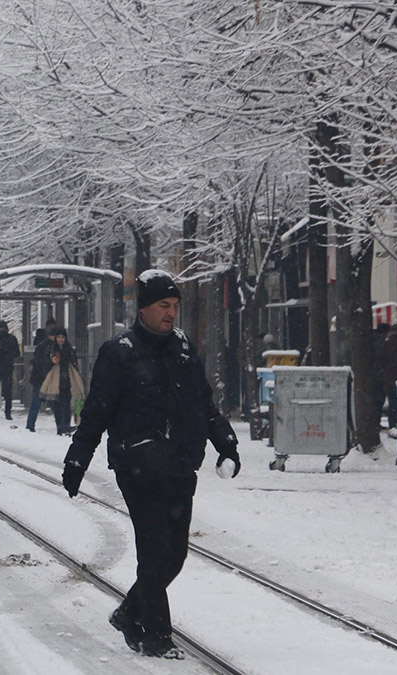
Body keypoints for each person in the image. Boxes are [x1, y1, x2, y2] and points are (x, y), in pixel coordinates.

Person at [61, 269, 239, 659]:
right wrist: (77, 459)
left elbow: (204, 404)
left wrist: (226, 443)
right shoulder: (119, 352)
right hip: (137, 463)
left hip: (179, 463)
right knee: (154, 551)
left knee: (175, 554)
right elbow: (96, 413)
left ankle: (129, 612)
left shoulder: (183, 348)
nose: (171, 313)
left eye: (175, 306)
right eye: (163, 306)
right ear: (143, 308)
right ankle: (155, 634)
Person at [40, 326, 83, 435]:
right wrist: (52, 362)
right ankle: (60, 427)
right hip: (55, 380)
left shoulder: (69, 349)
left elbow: (74, 364)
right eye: (59, 337)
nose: (61, 339)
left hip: (67, 380)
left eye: (62, 337)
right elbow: (44, 365)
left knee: (66, 405)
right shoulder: (51, 348)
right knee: (57, 405)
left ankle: (66, 427)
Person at [0, 320, 21, 420]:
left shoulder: (2, 339)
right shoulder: (8, 339)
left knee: (4, 391)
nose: (1, 330)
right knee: (0, 391)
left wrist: (2, 350)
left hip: (3, 367)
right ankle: (0, 412)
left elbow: (16, 353)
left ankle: (4, 412)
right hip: (3, 367)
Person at [26, 327, 54, 432]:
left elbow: (37, 362)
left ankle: (30, 425)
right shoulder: (46, 347)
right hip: (43, 378)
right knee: (53, 403)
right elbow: (41, 363)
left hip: (40, 378)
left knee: (36, 403)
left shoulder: (42, 346)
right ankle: (62, 425)